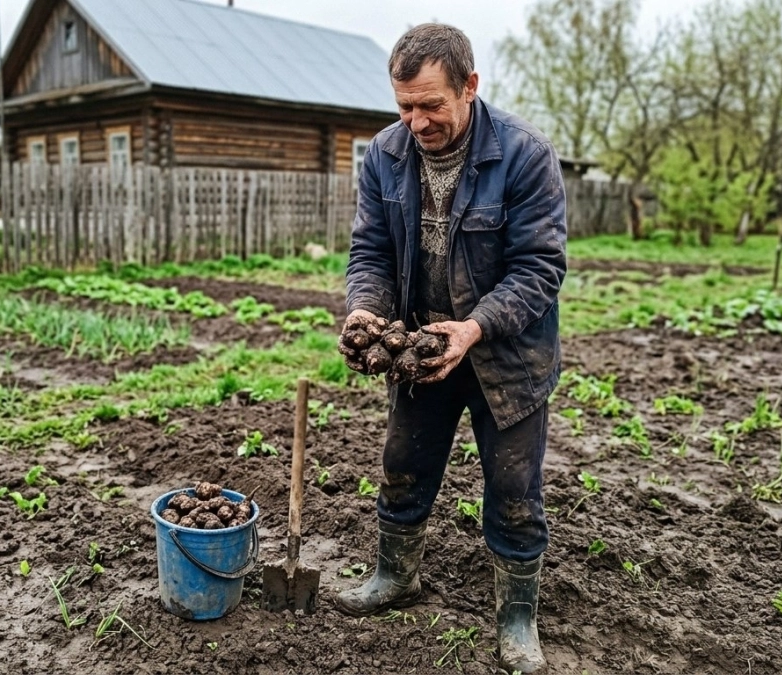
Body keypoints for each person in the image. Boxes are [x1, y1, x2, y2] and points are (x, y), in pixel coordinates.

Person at [333, 22, 567, 674]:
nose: (416, 121)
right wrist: (366, 309)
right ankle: (395, 575)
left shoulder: (523, 155)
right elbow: (372, 250)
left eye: (431, 104)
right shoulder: (384, 154)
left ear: (469, 87)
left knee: (516, 492)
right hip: (423, 350)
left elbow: (539, 269)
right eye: (404, 105)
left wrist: (474, 327)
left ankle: (517, 616)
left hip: (506, 357)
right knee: (402, 464)